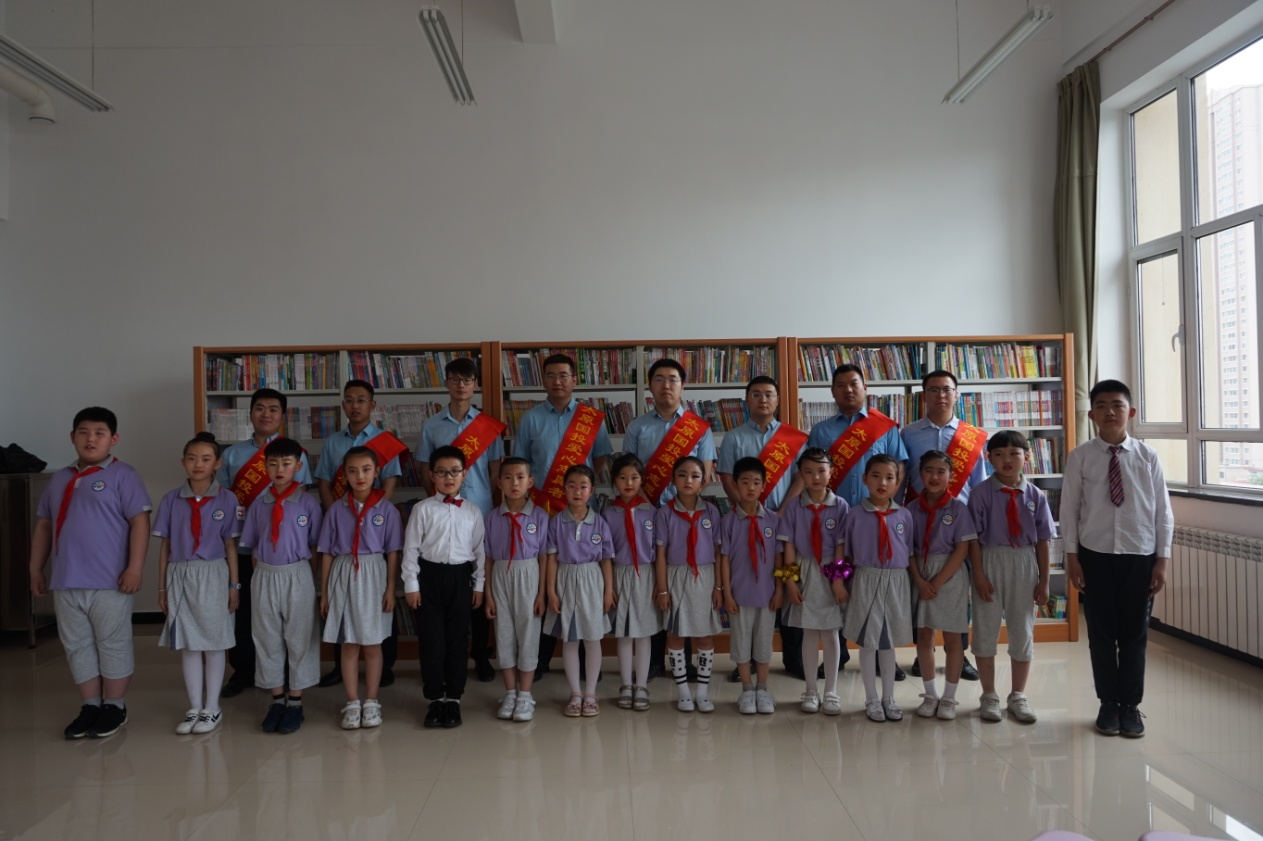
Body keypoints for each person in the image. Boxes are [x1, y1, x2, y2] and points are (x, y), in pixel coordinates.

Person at [29, 407, 152, 740]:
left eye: (99, 433)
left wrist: (135, 568)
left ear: (113, 439)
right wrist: (35, 568)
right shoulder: (59, 478)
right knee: (77, 645)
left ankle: (115, 705)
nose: (91, 439)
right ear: (73, 437)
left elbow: (140, 522)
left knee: (113, 643)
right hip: (67, 579)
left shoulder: (124, 475)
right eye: (83, 432)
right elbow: (44, 525)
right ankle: (90, 705)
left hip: (110, 581)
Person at [1062, 379, 1173, 738]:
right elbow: (1069, 510)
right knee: (1101, 634)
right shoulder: (1080, 456)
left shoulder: (1147, 456)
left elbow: (1163, 512)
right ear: (1091, 414)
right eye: (1101, 406)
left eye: (1117, 405)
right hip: (1095, 556)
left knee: (1135, 635)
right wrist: (1072, 557)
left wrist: (1162, 560)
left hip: (1140, 555)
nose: (1109, 412)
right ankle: (1108, 703)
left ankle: (1131, 705)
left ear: (1131, 412)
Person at [802, 363, 910, 680]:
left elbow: (899, 470)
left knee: (872, 586)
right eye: (841, 385)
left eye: (854, 383)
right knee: (836, 581)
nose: (848, 390)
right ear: (833, 391)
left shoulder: (885, 427)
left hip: (873, 518)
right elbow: (812, 472)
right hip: (832, 518)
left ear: (865, 388)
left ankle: (878, 652)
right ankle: (838, 652)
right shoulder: (821, 431)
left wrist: (888, 508)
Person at [513, 353, 613, 679]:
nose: (558, 381)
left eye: (563, 375)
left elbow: (600, 459)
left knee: (581, 584)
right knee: (546, 580)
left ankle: (585, 662)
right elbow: (520, 464)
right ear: (543, 380)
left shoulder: (591, 419)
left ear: (574, 380)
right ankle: (540, 659)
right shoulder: (530, 419)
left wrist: (579, 488)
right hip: (541, 511)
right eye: (551, 375)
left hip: (580, 511)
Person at [624, 357, 719, 679]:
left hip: (685, 515)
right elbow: (630, 472)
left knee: (686, 585)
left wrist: (679, 505)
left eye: (673, 379)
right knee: (654, 584)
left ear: (682, 385)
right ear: (650, 386)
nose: (666, 385)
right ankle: (653, 659)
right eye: (659, 379)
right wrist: (652, 506)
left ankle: (687, 661)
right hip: (646, 514)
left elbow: (706, 472)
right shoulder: (637, 426)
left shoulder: (698, 427)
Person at [216, 388, 313, 698]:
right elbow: (222, 498)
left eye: (273, 409)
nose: (266, 414)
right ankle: (244, 670)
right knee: (245, 612)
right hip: (243, 546)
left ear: (282, 416)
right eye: (259, 408)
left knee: (288, 620)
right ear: (250, 414)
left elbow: (300, 499)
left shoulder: (296, 453)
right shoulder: (232, 455)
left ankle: (285, 676)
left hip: (284, 552)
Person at [418, 357, 507, 685]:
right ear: (447, 383)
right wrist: (439, 505)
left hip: (479, 511)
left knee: (479, 583)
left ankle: (481, 654)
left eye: (467, 380)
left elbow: (496, 472)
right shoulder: (431, 426)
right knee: (447, 586)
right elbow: (426, 471)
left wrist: (491, 507)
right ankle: (443, 658)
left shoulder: (488, 426)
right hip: (442, 515)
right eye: (454, 379)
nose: (461, 385)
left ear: (475, 385)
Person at [315, 379, 407, 689]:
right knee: (344, 615)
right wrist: (338, 510)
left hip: (373, 522)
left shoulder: (384, 440)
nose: (355, 405)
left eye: (361, 400)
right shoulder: (333, 442)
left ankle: (383, 668)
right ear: (343, 404)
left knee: (379, 613)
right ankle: (343, 671)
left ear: (372, 405)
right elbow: (324, 482)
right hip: (344, 517)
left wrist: (372, 510)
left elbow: (390, 481)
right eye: (350, 400)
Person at [717, 376, 808, 681]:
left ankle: (793, 659)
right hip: (745, 520)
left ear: (778, 400)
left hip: (784, 518)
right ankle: (745, 663)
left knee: (787, 577)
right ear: (747, 400)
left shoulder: (792, 437)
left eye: (769, 394)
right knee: (748, 578)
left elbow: (801, 476)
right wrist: (745, 510)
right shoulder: (734, 437)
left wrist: (782, 510)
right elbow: (727, 477)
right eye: (756, 394)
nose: (763, 399)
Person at [901, 369, 986, 681]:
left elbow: (978, 485)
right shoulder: (908, 434)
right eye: (934, 389)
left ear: (956, 394)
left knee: (955, 594)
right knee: (921, 589)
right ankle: (921, 654)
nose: (940, 395)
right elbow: (902, 478)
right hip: (919, 517)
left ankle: (959, 654)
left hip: (958, 523)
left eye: (946, 389)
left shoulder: (972, 436)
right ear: (924, 395)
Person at [153, 432, 241, 735]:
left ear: (217, 464)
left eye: (205, 459)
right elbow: (165, 546)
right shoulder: (170, 500)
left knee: (214, 642)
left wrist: (234, 586)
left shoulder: (227, 499)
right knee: (188, 644)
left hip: (213, 573)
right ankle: (194, 707)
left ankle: (212, 707)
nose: (198, 464)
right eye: (191, 458)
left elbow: (230, 545)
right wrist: (162, 587)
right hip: (179, 574)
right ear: (183, 462)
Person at [237, 436, 324, 734]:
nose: (279, 469)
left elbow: (314, 546)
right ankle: (276, 699)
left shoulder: (308, 503)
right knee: (267, 637)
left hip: (298, 574)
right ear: (265, 467)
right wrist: (259, 577)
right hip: (265, 575)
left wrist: (312, 581)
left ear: (298, 467)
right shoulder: (259, 504)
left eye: (286, 463)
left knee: (300, 638)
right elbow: (252, 546)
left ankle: (295, 702)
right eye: (273, 464)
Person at [967, 430, 1053, 724]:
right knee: (985, 629)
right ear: (988, 458)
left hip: (1025, 562)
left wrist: (1044, 580)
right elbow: (973, 540)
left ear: (1027, 457)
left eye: (1014, 453)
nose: (1007, 459)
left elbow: (1043, 540)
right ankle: (989, 695)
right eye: (999, 454)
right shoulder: (980, 494)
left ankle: (1018, 695)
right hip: (990, 559)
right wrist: (979, 575)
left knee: (1022, 630)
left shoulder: (1036, 495)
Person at [318, 447, 402, 729]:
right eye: (352, 471)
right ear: (345, 475)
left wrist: (390, 589)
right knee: (349, 643)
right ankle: (352, 702)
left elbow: (393, 552)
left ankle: (372, 701)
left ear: (376, 472)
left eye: (366, 469)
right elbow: (326, 553)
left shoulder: (387, 510)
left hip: (374, 574)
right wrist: (325, 591)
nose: (360, 476)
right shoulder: (336, 510)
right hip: (343, 573)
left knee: (373, 643)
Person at [402, 445, 486, 729]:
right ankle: (435, 698)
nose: (448, 477)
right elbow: (411, 549)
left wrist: (479, 585)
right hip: (429, 577)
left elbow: (480, 552)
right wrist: (411, 585)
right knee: (432, 641)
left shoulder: (473, 511)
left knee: (457, 641)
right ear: (431, 475)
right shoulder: (422, 509)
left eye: (454, 471)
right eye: (441, 472)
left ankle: (454, 699)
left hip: (461, 578)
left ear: (464, 474)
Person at [841, 454, 915, 722]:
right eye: (875, 476)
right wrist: (841, 582)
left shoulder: (904, 515)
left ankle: (889, 698)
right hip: (866, 578)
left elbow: (909, 550)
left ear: (897, 482)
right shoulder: (854, 515)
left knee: (888, 641)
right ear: (864, 479)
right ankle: (871, 698)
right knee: (867, 641)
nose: (882, 483)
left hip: (896, 581)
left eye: (889, 478)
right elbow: (846, 553)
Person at [778, 448, 849, 715]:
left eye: (821, 471)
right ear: (801, 475)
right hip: (804, 571)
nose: (815, 477)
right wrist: (790, 583)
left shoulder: (840, 506)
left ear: (831, 472)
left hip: (831, 571)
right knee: (808, 633)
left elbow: (841, 547)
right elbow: (788, 547)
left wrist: (838, 581)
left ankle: (831, 691)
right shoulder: (794, 506)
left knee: (831, 633)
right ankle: (810, 689)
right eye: (808, 472)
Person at [908, 450, 977, 721]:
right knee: (924, 636)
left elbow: (962, 549)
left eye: (941, 471)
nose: (934, 476)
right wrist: (919, 580)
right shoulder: (910, 510)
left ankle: (949, 697)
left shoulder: (958, 509)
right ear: (920, 474)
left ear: (951, 475)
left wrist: (936, 581)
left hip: (950, 575)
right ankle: (930, 695)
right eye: (929, 470)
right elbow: (908, 551)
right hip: (920, 573)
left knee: (952, 638)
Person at [653, 456, 724, 712]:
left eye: (695, 476)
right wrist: (662, 589)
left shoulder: (712, 512)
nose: (688, 481)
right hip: (676, 576)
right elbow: (661, 554)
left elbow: (718, 554)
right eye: (682, 475)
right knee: (676, 634)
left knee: (704, 636)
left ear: (703, 482)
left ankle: (702, 692)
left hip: (704, 578)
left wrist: (718, 587)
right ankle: (683, 691)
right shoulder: (664, 513)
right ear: (673, 480)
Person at [544, 464, 615, 717]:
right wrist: (551, 592)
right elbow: (552, 559)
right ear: (564, 489)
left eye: (583, 486)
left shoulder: (600, 523)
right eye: (572, 486)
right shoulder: (556, 522)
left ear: (591, 491)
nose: (577, 491)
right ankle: (575, 693)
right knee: (570, 639)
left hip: (592, 581)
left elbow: (606, 560)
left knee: (593, 639)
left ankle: (591, 693)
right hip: (565, 579)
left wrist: (608, 591)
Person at [484, 457, 549, 722]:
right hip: (500, 576)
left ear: (530, 482)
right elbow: (488, 558)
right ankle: (510, 692)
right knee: (504, 635)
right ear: (499, 483)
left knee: (528, 634)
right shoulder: (492, 517)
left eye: (520, 477)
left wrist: (541, 594)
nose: (514, 483)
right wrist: (488, 595)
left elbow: (544, 557)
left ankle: (525, 694)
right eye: (508, 478)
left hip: (529, 575)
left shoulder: (540, 516)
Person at [719, 458, 784, 715]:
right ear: (735, 485)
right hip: (739, 595)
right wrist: (726, 593)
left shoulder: (773, 520)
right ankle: (747, 689)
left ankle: (763, 689)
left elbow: (779, 558)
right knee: (741, 644)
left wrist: (779, 589)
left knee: (764, 644)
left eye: (756, 482)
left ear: (764, 486)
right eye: (745, 482)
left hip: (767, 596)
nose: (750, 487)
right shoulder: (728, 521)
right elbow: (724, 559)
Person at [603, 454, 659, 711]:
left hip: (646, 575)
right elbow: (605, 554)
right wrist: (609, 586)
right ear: (614, 481)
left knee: (643, 632)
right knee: (624, 633)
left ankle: (642, 685)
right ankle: (626, 684)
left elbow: (659, 550)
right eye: (622, 478)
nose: (628, 483)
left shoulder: (651, 512)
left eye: (634, 478)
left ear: (642, 480)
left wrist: (660, 584)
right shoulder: (607, 513)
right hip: (619, 574)